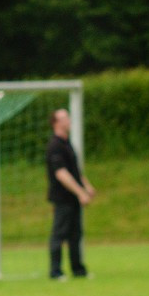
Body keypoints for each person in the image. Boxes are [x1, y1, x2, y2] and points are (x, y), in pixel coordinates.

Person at [45, 108, 95, 279]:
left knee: (76, 234)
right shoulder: (55, 146)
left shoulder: (67, 143)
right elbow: (61, 174)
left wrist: (86, 185)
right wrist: (80, 192)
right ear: (56, 123)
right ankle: (55, 271)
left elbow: (74, 171)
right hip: (62, 198)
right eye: (64, 117)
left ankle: (78, 270)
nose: (69, 120)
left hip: (73, 198)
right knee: (59, 234)